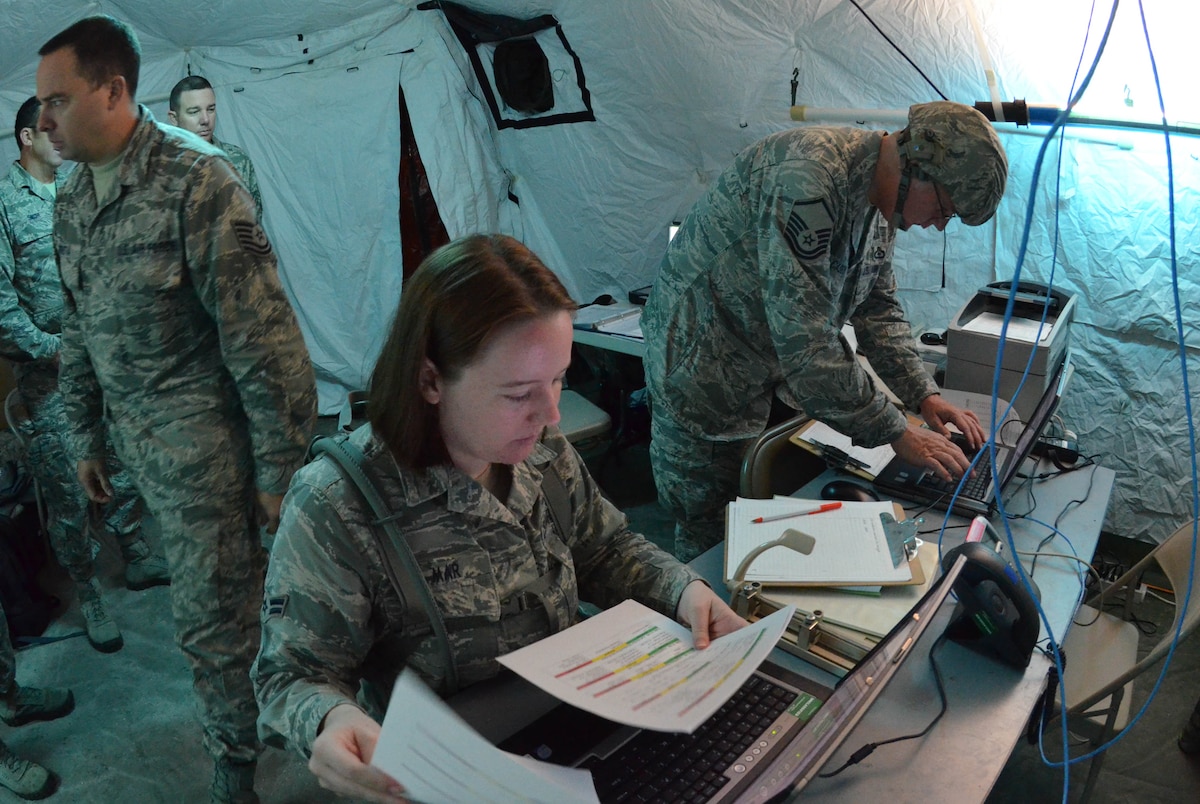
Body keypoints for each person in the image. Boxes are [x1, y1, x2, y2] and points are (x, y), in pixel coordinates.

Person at [253, 234, 745, 803]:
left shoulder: (540, 449)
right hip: (454, 773)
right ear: (431, 380)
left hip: (577, 726)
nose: (552, 414)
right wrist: (329, 720)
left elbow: (603, 549)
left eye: (559, 378)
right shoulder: (339, 503)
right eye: (519, 394)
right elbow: (291, 675)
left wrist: (683, 592)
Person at [36, 16, 316, 803]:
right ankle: (284, 705)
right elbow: (77, 323)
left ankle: (235, 770)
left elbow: (267, 342)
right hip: (138, 452)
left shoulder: (200, 183)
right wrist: (86, 433)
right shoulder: (71, 199)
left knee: (211, 626)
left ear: (114, 90)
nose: (44, 120)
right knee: (239, 605)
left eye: (58, 100)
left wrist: (278, 470)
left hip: (209, 458)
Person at [642, 101, 1008, 560]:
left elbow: (879, 309)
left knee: (768, 524)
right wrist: (897, 431)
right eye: (942, 209)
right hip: (701, 372)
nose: (936, 225)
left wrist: (924, 395)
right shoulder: (808, 181)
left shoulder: (882, 201)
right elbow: (808, 347)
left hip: (763, 370)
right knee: (710, 534)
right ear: (917, 163)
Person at [0, 96, 170, 655]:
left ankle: (137, 555)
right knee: (69, 489)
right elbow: (1, 307)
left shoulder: (81, 191)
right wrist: (54, 351)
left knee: (119, 460)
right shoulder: (5, 203)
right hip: (51, 382)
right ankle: (89, 588)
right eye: (51, 130)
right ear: (27, 137)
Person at [168, 76, 263, 219]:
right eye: (194, 112)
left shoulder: (237, 159)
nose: (205, 120)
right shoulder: (161, 168)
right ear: (174, 119)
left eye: (210, 109)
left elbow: (254, 216)